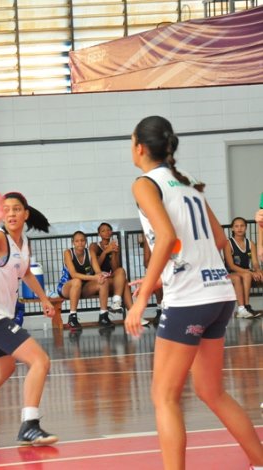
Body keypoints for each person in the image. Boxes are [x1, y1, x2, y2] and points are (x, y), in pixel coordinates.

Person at [124, 115, 263, 470]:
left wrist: (142, 298)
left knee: (164, 397)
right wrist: (167, 275)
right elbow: (219, 239)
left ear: (140, 147)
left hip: (190, 300)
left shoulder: (144, 184)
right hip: (219, 294)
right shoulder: (187, 183)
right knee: (211, 391)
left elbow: (167, 238)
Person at [0, 192, 59, 446]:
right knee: (40, 361)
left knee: (5, 368)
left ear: (26, 214)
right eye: (6, 209)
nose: (11, 213)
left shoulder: (24, 243)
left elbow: (26, 272)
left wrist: (44, 299)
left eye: (16, 209)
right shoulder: (0, 238)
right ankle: (29, 425)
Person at [56, 231, 111, 330]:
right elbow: (73, 274)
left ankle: (103, 315)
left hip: (83, 287)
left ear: (85, 241)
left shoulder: (90, 252)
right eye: (77, 241)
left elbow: (97, 271)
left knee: (104, 281)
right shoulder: (68, 253)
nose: (80, 243)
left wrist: (100, 276)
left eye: (82, 240)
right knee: (76, 281)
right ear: (73, 242)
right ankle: (72, 317)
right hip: (67, 286)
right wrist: (94, 278)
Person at [89, 222, 134, 318]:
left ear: (111, 232)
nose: (106, 232)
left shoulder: (115, 246)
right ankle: (134, 315)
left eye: (108, 230)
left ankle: (118, 303)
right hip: (97, 280)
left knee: (121, 271)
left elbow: (115, 269)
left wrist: (113, 252)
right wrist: (105, 252)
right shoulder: (94, 246)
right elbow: (95, 266)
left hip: (110, 278)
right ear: (99, 234)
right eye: (103, 231)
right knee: (125, 282)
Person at [223, 216, 262, 318]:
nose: (239, 228)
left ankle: (245, 308)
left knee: (259, 274)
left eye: (242, 226)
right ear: (232, 228)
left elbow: (255, 262)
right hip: (231, 272)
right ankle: (246, 307)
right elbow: (231, 265)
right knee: (247, 275)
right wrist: (251, 272)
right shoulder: (228, 243)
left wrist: (257, 270)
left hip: (246, 271)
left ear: (246, 227)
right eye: (236, 226)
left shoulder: (250, 243)